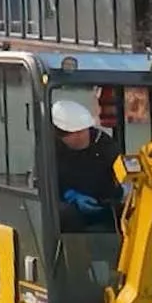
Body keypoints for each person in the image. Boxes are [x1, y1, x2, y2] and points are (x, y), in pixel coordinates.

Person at [51, 93, 120, 231]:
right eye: (75, 133)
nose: (81, 137)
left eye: (83, 131)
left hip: (103, 204)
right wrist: (70, 195)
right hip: (69, 210)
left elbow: (120, 168)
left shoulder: (104, 144)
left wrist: (123, 190)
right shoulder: (50, 148)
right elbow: (45, 180)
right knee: (66, 214)